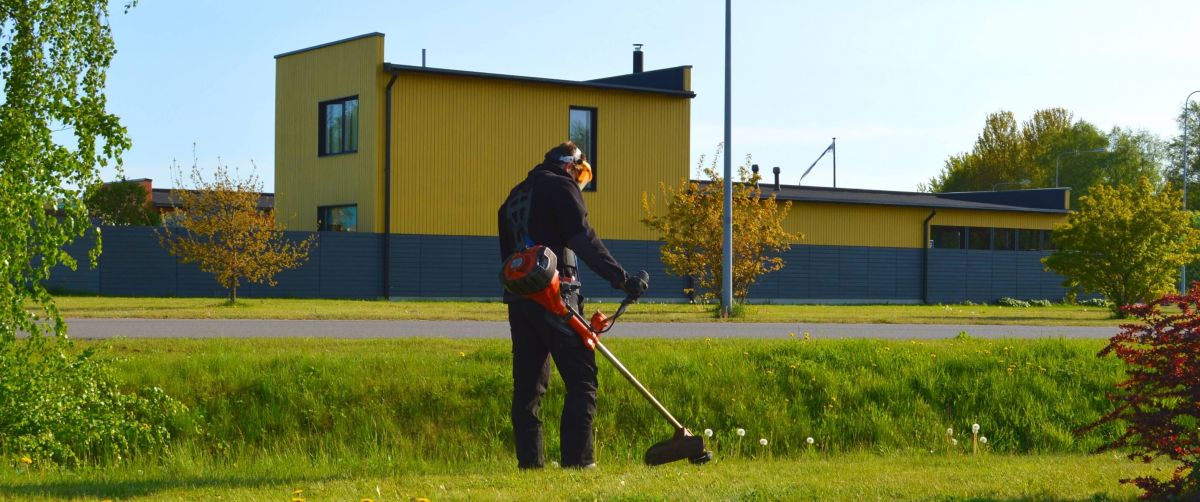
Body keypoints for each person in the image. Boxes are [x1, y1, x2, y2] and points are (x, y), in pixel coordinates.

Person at [497, 141, 648, 469]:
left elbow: (508, 260)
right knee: (582, 379)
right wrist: (621, 279)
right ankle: (579, 463)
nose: (581, 182)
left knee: (528, 386)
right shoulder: (561, 186)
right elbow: (583, 239)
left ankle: (530, 464)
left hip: (519, 300)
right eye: (581, 174)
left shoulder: (512, 198)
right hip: (556, 296)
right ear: (572, 166)